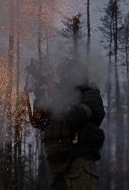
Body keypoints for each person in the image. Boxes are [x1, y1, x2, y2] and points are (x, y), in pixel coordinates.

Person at [25, 57, 105, 190]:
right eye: (61, 73)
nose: (63, 77)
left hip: (80, 165)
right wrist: (41, 96)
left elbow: (75, 116)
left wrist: (58, 98)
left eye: (67, 73)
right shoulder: (58, 95)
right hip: (57, 168)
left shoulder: (90, 95)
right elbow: (39, 121)